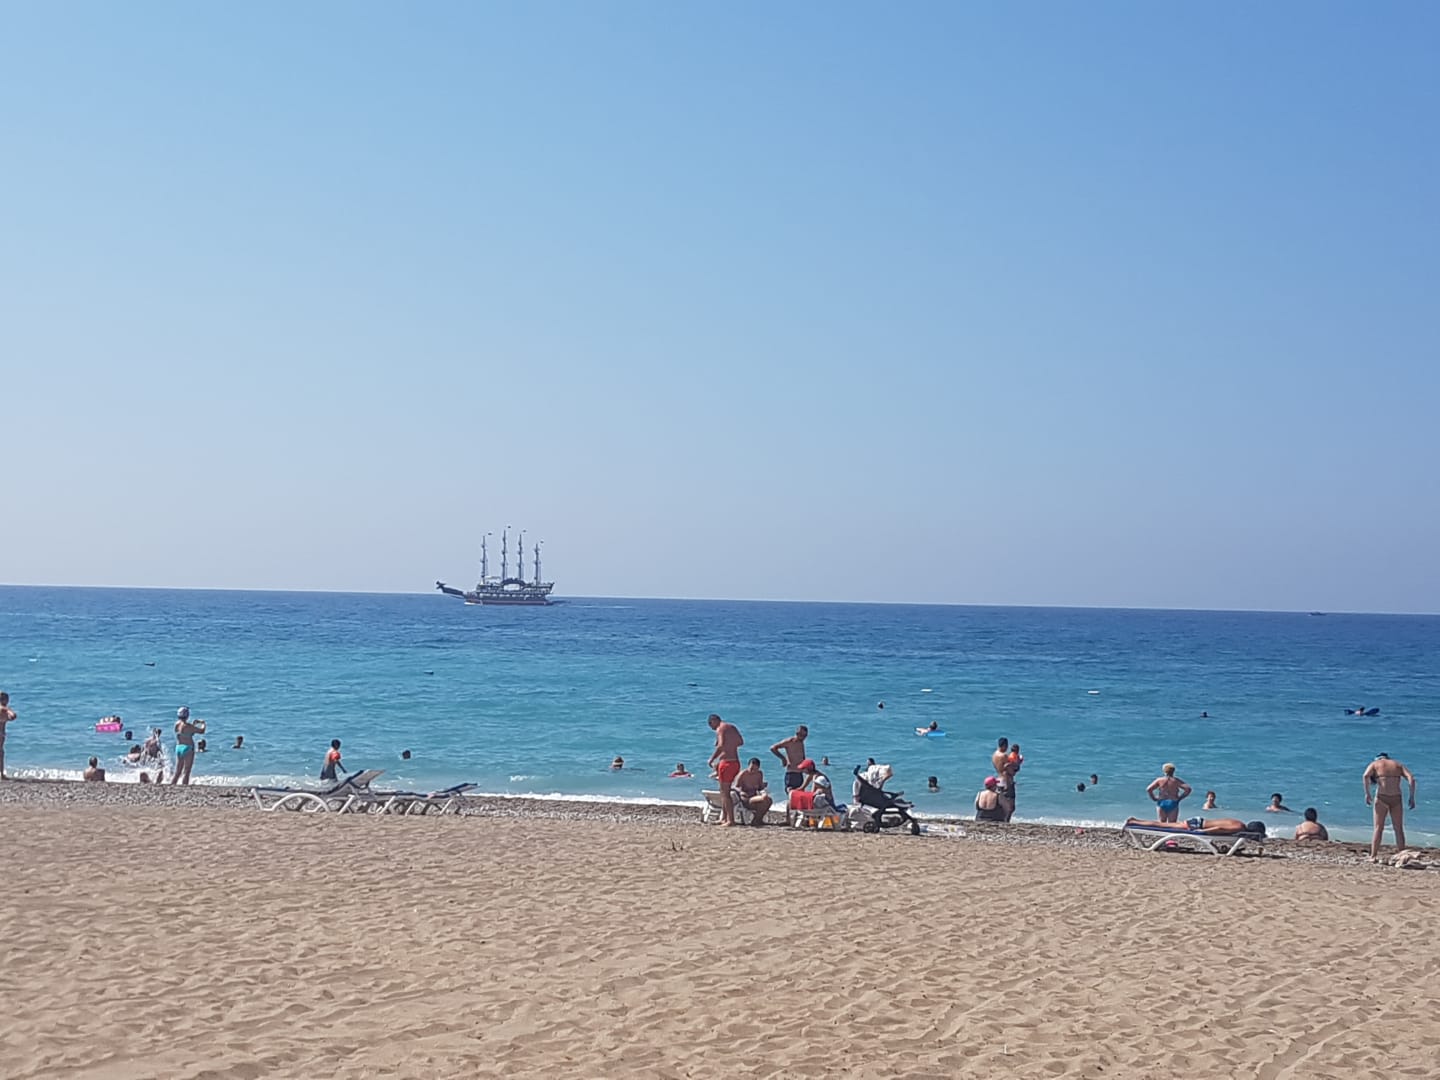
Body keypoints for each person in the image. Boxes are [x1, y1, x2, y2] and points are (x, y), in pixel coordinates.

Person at [1364, 753, 1417, 860]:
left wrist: (1367, 793)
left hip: (1382, 797)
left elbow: (1365, 776)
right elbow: (1411, 778)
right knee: (1398, 828)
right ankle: (1402, 855)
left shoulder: (1375, 764)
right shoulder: (1397, 764)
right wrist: (1411, 796)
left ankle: (1373, 856)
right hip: (1396, 798)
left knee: (1378, 828)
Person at [706, 714, 744, 827]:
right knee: (723, 791)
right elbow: (740, 742)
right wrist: (729, 744)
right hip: (735, 762)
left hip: (727, 762)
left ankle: (730, 820)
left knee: (725, 793)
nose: (712, 728)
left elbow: (721, 746)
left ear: (714, 720)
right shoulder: (731, 727)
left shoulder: (720, 728)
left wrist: (712, 758)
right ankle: (724, 818)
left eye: (710, 724)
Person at [769, 725, 809, 794]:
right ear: (797, 733)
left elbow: (802, 757)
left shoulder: (801, 743)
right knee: (791, 792)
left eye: (804, 736)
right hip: (791, 773)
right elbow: (773, 748)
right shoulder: (790, 741)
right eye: (801, 735)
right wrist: (783, 758)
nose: (803, 737)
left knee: (800, 794)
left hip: (799, 773)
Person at [1125, 816, 1264, 835]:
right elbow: (1219, 828)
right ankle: (1134, 822)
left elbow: (1221, 824)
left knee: (1163, 824)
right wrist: (1201, 832)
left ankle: (1136, 820)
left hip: (1200, 820)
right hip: (1197, 824)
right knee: (1162, 825)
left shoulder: (1239, 822)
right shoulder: (1239, 828)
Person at [733, 758, 773, 825]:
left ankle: (757, 819)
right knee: (765, 799)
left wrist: (763, 787)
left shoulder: (759, 774)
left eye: (755, 769)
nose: (752, 771)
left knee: (769, 801)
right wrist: (740, 792)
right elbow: (735, 786)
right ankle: (757, 820)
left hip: (754, 796)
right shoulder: (743, 774)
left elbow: (760, 787)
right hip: (746, 798)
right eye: (751, 768)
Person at [171, 707, 205, 786]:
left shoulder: (177, 724)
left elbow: (184, 732)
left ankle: (172, 785)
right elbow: (202, 731)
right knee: (187, 770)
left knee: (178, 771)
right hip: (188, 747)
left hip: (179, 747)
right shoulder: (189, 726)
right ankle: (184, 786)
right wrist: (203, 723)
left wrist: (193, 725)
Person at [0, 691, 16, 779]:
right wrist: (9, 715)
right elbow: (13, 716)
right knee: (1, 753)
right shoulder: (4, 709)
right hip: (0, 734)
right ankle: (1, 774)